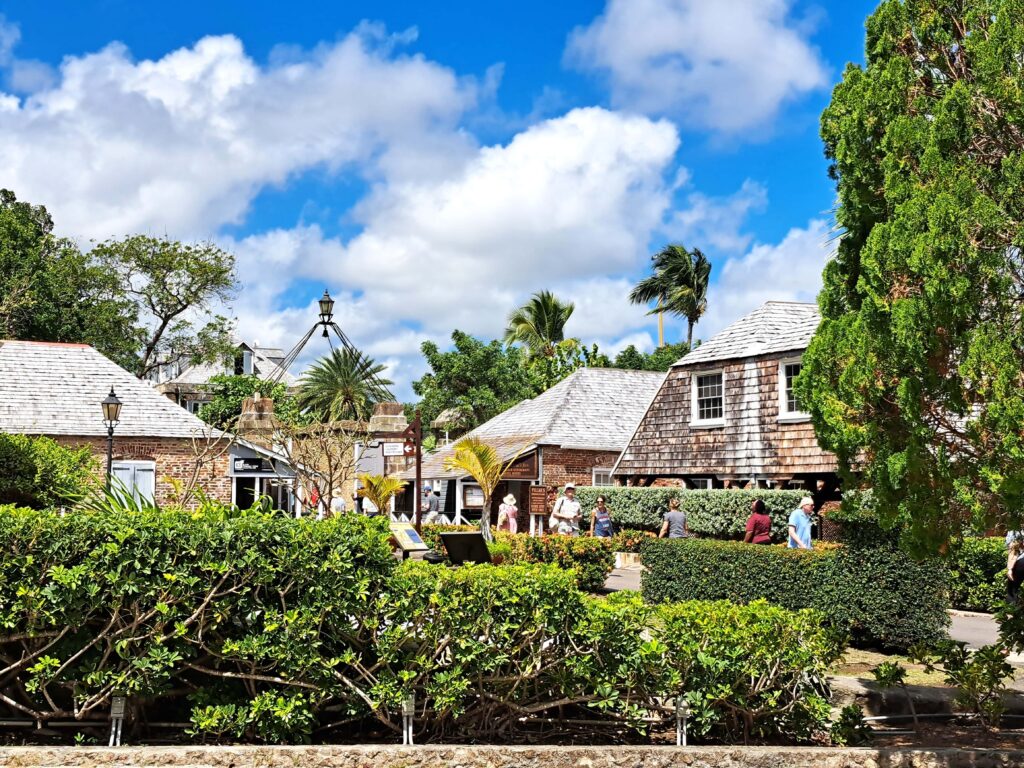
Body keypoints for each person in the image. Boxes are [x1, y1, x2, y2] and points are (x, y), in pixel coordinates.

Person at [1008, 535, 1024, 604]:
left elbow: (1014, 548)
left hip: (1021, 563)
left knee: (1012, 589)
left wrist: (1010, 569)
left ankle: (1011, 606)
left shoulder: (1016, 532)